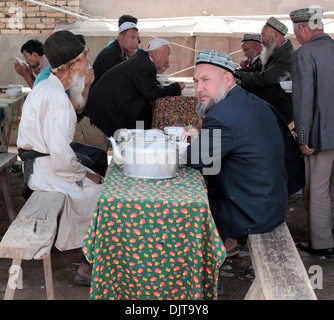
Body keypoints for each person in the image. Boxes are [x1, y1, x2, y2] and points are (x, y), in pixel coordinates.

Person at [16, 30, 105, 285]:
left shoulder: (50, 87)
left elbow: (60, 152)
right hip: (44, 171)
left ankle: (88, 260)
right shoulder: (55, 97)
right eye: (85, 62)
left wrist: (84, 173)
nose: (88, 67)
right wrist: (86, 174)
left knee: (95, 183)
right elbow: (61, 156)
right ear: (73, 66)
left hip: (45, 164)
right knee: (100, 195)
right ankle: (87, 266)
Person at [185, 50, 288, 256]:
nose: (199, 88)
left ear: (228, 78)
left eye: (206, 80)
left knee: (183, 212)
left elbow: (194, 160)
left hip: (251, 211)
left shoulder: (222, 115)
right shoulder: (250, 100)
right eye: (196, 81)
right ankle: (228, 244)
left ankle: (203, 273)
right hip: (270, 200)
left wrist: (193, 139)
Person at [289, 8, 334, 258]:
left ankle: (322, 242)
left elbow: (304, 102)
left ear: (302, 28)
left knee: (317, 189)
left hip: (321, 136)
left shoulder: (304, 53)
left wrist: (303, 138)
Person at [84, 38, 185, 137]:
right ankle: (132, 147)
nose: (168, 60)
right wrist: (175, 87)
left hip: (110, 105)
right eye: (167, 55)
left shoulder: (143, 60)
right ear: (156, 54)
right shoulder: (144, 65)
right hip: (106, 108)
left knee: (142, 117)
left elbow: (149, 85)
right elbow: (151, 92)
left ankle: (135, 143)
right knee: (132, 132)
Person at [235, 17, 295, 125]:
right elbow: (254, 69)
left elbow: (264, 78)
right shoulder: (273, 52)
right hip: (265, 106)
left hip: (277, 111)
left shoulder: (288, 56)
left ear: (275, 35)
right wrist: (232, 72)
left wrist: (234, 77)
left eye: (263, 36)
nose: (261, 40)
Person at [91, 21, 140, 86]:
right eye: (132, 37)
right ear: (120, 37)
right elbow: (118, 85)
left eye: (137, 38)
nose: (135, 42)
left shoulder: (118, 51)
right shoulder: (111, 55)